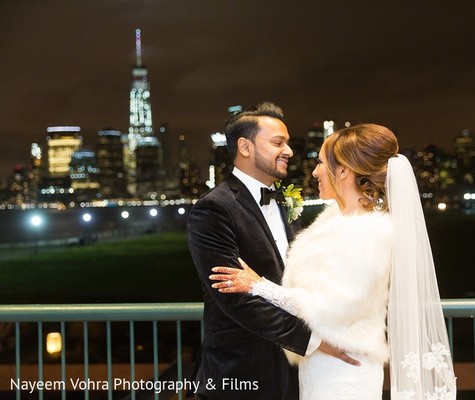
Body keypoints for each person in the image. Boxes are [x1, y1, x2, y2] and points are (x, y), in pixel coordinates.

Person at [210, 124, 457, 399]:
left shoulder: (369, 232)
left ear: (342, 171)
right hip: (320, 366)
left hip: (344, 373)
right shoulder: (334, 220)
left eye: (319, 163)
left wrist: (257, 285)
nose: (314, 171)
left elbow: (327, 307)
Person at [186, 102, 356, 400]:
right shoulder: (214, 209)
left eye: (288, 142)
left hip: (295, 376)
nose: (289, 151)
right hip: (241, 374)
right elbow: (235, 298)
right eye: (278, 142)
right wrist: (315, 341)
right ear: (245, 147)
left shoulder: (284, 202)